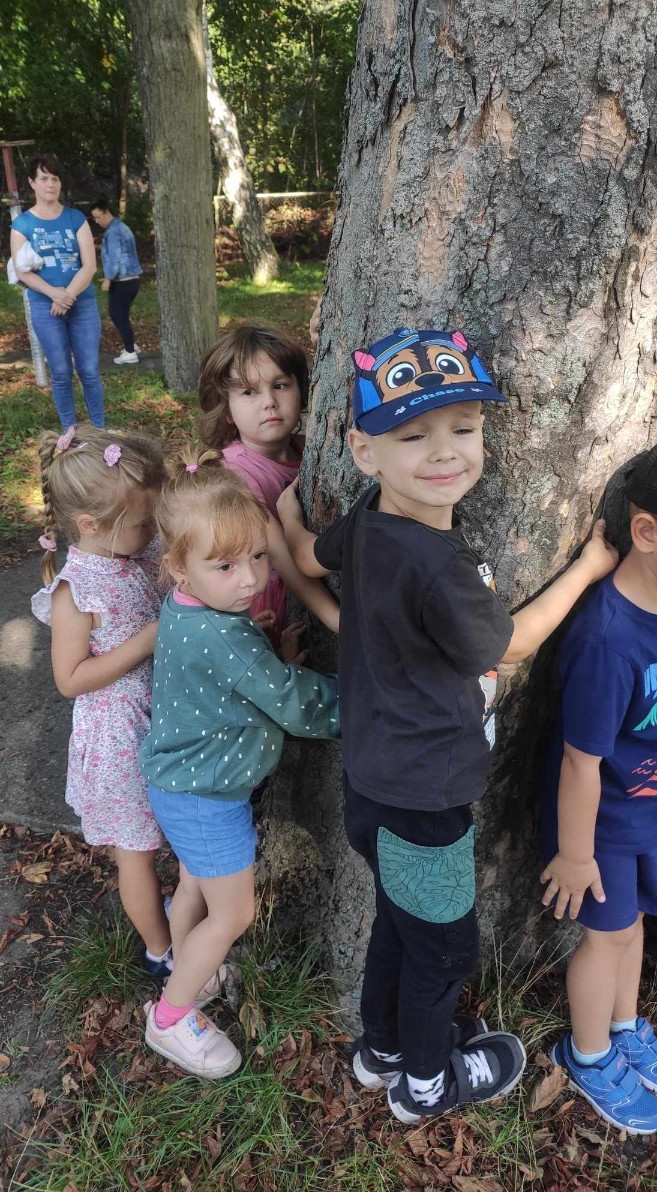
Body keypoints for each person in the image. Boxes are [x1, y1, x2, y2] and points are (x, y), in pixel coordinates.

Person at [277, 325, 618, 1124]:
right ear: (365, 453)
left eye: (463, 428)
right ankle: (424, 1082)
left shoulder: (365, 521)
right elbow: (512, 645)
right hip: (424, 802)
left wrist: (285, 513)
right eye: (413, 435)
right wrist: (590, 569)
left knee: (401, 922)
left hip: (371, 782)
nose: (445, 452)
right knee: (443, 948)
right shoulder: (441, 567)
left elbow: (309, 553)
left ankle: (382, 1047)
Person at [139, 451, 340, 1078]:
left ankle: (183, 966)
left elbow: (239, 676)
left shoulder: (195, 609)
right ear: (178, 566)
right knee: (235, 912)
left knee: (199, 884)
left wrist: (269, 649)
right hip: (205, 798)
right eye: (225, 565)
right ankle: (170, 1018)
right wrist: (366, 701)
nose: (250, 578)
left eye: (257, 555)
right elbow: (293, 704)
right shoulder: (222, 634)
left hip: (186, 785)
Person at [540, 433, 657, 1135]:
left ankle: (623, 1027)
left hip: (656, 812)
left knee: (636, 930)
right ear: (645, 531)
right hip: (600, 825)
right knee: (608, 936)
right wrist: (572, 853)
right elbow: (578, 762)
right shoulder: (605, 639)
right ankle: (587, 1052)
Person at [31, 425, 172, 977]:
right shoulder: (75, 590)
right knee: (137, 852)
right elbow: (69, 678)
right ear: (91, 525)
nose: (152, 529)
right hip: (118, 737)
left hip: (158, 719)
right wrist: (147, 640)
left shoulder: (133, 549)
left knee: (170, 830)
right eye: (143, 523)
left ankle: (182, 912)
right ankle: (161, 949)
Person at [197, 321, 339, 647]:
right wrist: (338, 620)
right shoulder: (236, 474)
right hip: (274, 607)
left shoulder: (314, 448)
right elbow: (284, 561)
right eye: (249, 392)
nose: (269, 402)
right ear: (227, 410)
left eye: (280, 385)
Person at [11, 155, 105, 429]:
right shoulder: (22, 226)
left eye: (55, 178)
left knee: (88, 371)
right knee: (61, 372)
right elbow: (22, 270)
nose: (50, 184)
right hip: (45, 307)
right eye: (44, 178)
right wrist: (54, 294)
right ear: (32, 183)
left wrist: (68, 296)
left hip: (82, 304)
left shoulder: (76, 219)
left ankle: (99, 430)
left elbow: (89, 266)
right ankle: (69, 431)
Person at [90, 200, 143, 365]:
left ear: (106, 212)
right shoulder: (122, 227)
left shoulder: (113, 232)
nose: (97, 221)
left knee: (117, 316)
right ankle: (131, 344)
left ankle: (130, 352)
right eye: (94, 219)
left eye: (98, 217)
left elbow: (115, 258)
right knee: (121, 315)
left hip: (122, 281)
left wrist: (108, 278)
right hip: (133, 279)